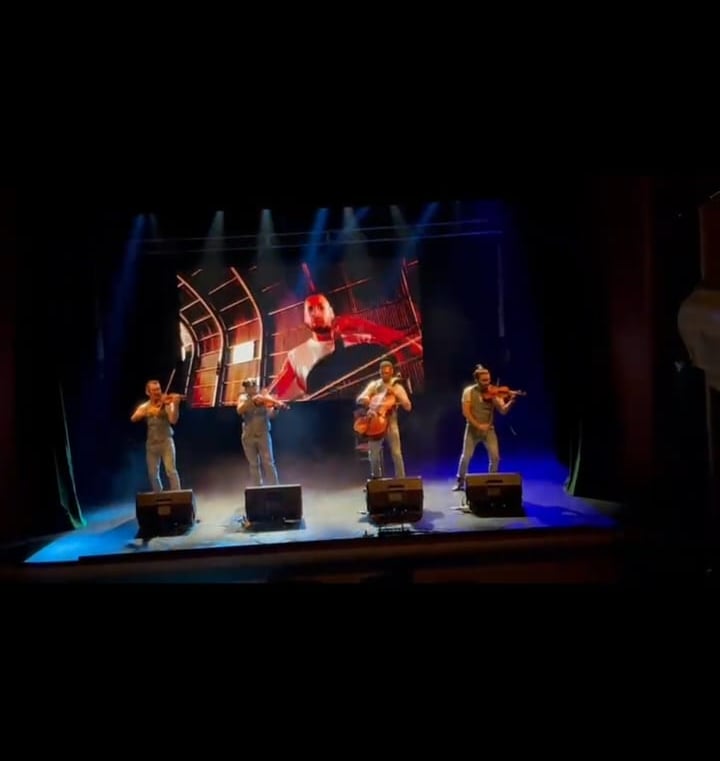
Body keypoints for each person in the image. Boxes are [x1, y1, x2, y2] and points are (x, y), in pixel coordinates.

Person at [268, 292, 422, 402]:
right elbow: (272, 393)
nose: (316, 313)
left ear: (331, 312)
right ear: (305, 319)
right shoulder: (296, 356)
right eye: (310, 309)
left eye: (321, 307)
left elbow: (413, 349)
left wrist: (362, 325)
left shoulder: (361, 339)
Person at [453, 365, 517, 490]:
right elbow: (466, 412)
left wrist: (510, 402)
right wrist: (478, 425)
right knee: (466, 457)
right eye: (484, 380)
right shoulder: (468, 391)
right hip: (472, 429)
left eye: (488, 379)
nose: (487, 383)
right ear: (476, 380)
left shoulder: (493, 393)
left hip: (488, 430)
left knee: (495, 457)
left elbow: (503, 410)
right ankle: (460, 482)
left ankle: (492, 481)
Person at [355, 360, 412, 479]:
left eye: (386, 373)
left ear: (391, 372)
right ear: (379, 372)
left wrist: (398, 395)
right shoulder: (374, 385)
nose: (384, 375)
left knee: (396, 453)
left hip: (391, 421)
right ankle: (376, 478)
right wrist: (365, 399)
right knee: (373, 454)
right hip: (375, 422)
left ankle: (401, 478)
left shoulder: (397, 387)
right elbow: (359, 399)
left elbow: (408, 406)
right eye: (382, 373)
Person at [130, 379, 183, 492]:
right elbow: (133, 418)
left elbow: (173, 420)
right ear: (148, 392)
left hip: (166, 442)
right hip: (151, 445)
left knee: (171, 471)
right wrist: (150, 411)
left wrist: (175, 405)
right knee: (152, 474)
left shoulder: (167, 404)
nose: (157, 392)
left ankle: (177, 494)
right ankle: (158, 495)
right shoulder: (145, 406)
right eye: (154, 390)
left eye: (158, 389)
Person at [236, 379, 282, 486]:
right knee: (253, 464)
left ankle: (274, 486)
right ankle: (257, 487)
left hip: (263, 435)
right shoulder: (243, 398)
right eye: (247, 387)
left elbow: (271, 415)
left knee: (268, 462)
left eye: (251, 386)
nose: (249, 389)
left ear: (256, 387)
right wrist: (253, 401)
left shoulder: (265, 398)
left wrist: (276, 408)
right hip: (249, 436)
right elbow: (240, 410)